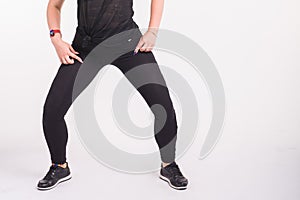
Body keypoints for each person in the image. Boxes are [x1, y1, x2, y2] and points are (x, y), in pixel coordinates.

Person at [37, 0, 188, 191]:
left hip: (128, 45)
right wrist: (56, 38)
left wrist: (153, 31)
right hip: (86, 48)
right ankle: (59, 166)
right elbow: (54, 5)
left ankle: (168, 165)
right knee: (52, 111)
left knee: (163, 105)